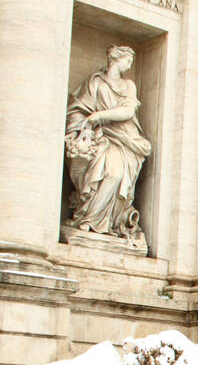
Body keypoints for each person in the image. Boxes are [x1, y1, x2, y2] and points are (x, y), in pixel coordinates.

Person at [64, 45, 152, 240]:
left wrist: (99, 115)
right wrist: (86, 123)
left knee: (115, 175)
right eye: (127, 61)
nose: (129, 65)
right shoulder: (94, 82)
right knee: (102, 174)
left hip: (124, 137)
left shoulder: (128, 85)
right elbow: (78, 108)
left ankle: (100, 221)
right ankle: (88, 219)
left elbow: (128, 111)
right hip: (100, 136)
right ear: (116, 59)